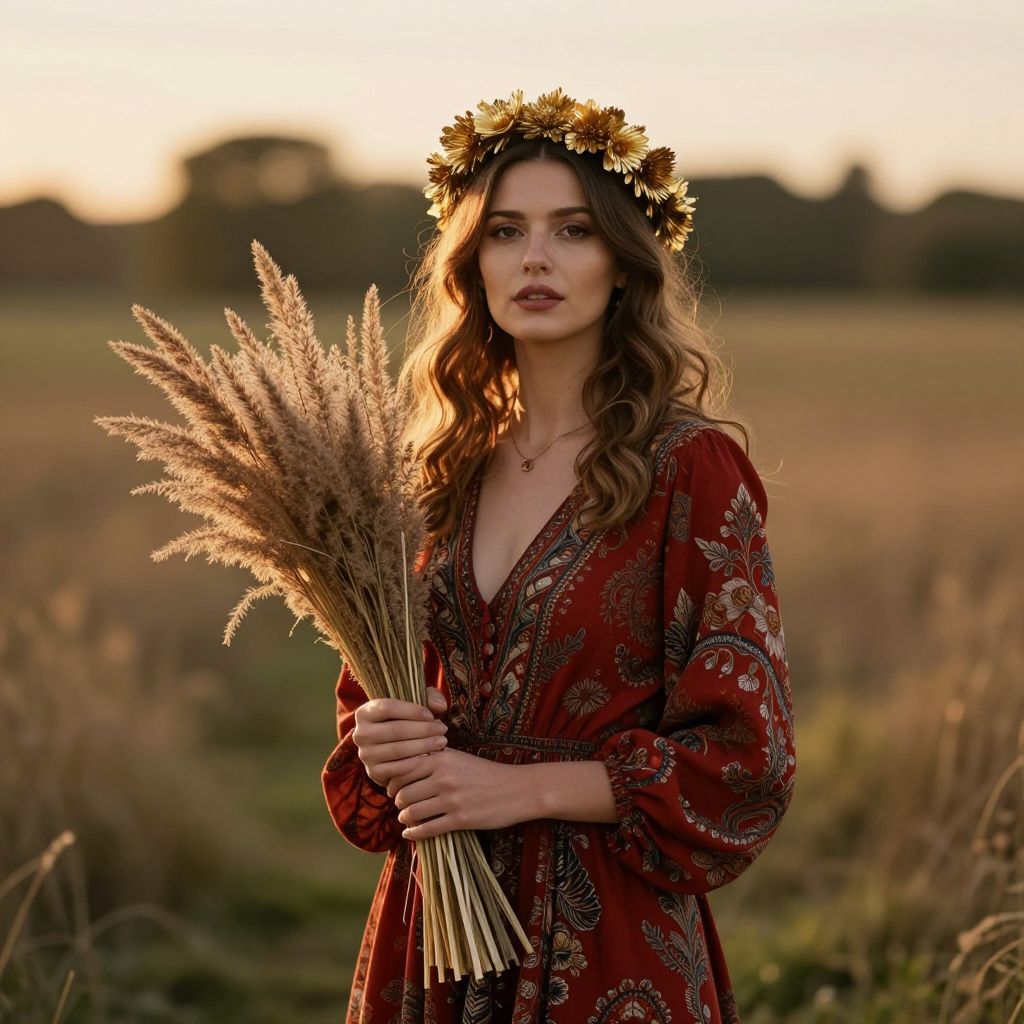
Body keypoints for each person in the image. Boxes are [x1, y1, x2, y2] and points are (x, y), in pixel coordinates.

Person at [321, 87, 796, 1024]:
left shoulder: (690, 470)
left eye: (572, 231)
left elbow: (746, 760)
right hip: (436, 933)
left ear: (624, 263)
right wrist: (381, 735)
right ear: (472, 264)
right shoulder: (429, 472)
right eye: (504, 231)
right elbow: (372, 720)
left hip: (610, 937)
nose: (535, 257)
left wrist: (516, 788)